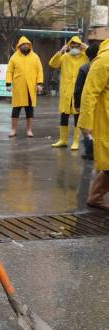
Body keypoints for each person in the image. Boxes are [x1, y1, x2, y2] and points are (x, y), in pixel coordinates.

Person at [78, 39, 109, 211]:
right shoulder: (104, 59)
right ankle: (96, 197)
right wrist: (86, 122)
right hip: (106, 120)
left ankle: (96, 196)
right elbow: (89, 93)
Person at [49, 36, 89, 150]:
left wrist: (86, 48)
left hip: (79, 92)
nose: (75, 47)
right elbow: (53, 63)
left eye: (77, 45)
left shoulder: (85, 57)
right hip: (66, 92)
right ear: (69, 46)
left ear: (80, 46)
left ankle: (76, 141)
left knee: (77, 116)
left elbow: (96, 57)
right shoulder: (65, 56)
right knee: (64, 116)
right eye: (72, 45)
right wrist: (61, 51)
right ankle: (63, 140)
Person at [6, 37, 44, 137]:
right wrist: (8, 83)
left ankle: (29, 130)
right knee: (15, 110)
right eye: (23, 44)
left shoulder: (35, 57)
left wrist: (39, 83)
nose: (25, 46)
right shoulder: (14, 57)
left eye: (27, 44)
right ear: (19, 46)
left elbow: (40, 70)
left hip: (30, 88)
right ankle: (13, 130)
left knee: (29, 110)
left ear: (29, 45)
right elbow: (9, 71)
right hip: (19, 87)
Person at [74, 43, 100, 160]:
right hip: (101, 104)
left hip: (87, 103)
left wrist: (77, 104)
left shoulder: (85, 68)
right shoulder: (103, 65)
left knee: (85, 127)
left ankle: (90, 151)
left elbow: (78, 88)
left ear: (88, 56)